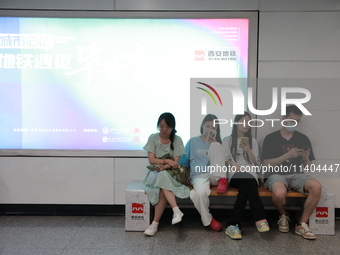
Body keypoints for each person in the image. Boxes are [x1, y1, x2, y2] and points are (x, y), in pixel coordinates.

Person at [262, 105, 322, 240]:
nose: (294, 124)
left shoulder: (303, 138)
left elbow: (309, 168)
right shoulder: (271, 138)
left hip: (297, 175)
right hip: (276, 174)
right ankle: (283, 214)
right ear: (283, 118)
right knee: (279, 193)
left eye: (297, 121)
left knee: (316, 186)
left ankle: (302, 224)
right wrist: (287, 155)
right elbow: (266, 164)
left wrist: (306, 158)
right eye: (291, 120)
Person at [222, 112, 269, 239]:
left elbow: (256, 163)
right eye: (243, 121)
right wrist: (234, 164)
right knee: (247, 183)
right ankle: (260, 218)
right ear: (236, 123)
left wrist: (248, 149)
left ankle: (232, 225)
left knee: (244, 189)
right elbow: (225, 159)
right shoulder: (227, 141)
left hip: (251, 174)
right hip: (235, 174)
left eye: (248, 122)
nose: (246, 124)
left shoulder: (253, 141)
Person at [143, 112, 190, 236]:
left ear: (173, 127)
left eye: (167, 127)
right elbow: (152, 160)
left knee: (163, 183)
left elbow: (175, 164)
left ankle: (154, 224)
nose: (164, 130)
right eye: (161, 126)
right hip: (154, 172)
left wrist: (165, 166)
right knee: (162, 179)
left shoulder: (177, 139)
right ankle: (176, 210)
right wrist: (166, 161)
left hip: (171, 173)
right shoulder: (153, 138)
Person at [179, 114, 228, 232]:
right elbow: (182, 162)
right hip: (199, 175)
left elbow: (225, 162)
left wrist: (215, 144)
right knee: (199, 193)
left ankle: (223, 180)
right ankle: (209, 220)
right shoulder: (192, 141)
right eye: (208, 126)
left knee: (216, 146)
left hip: (216, 175)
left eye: (214, 128)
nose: (211, 129)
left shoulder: (219, 142)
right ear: (202, 126)